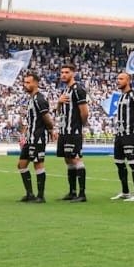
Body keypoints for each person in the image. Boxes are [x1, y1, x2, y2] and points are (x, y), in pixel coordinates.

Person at [55, 64, 90, 202]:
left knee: (76, 158)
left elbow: (84, 112)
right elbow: (59, 112)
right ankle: (72, 192)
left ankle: (82, 194)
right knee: (68, 159)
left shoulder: (78, 89)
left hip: (73, 130)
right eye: (62, 72)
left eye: (66, 72)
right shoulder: (66, 90)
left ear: (73, 73)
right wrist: (58, 102)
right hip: (64, 131)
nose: (63, 74)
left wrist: (79, 127)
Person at [17, 71, 53, 203]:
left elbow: (47, 119)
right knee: (21, 165)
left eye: (28, 82)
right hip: (30, 137)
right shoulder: (31, 99)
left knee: (38, 164)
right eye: (24, 82)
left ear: (36, 83)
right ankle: (29, 194)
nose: (25, 85)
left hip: (38, 137)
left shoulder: (40, 99)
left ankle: (40, 196)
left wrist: (51, 130)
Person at [111, 71, 134, 201]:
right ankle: (125, 192)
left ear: (128, 80)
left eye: (121, 78)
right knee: (119, 163)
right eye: (117, 78)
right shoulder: (120, 96)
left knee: (132, 163)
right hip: (119, 135)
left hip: (130, 134)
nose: (118, 81)